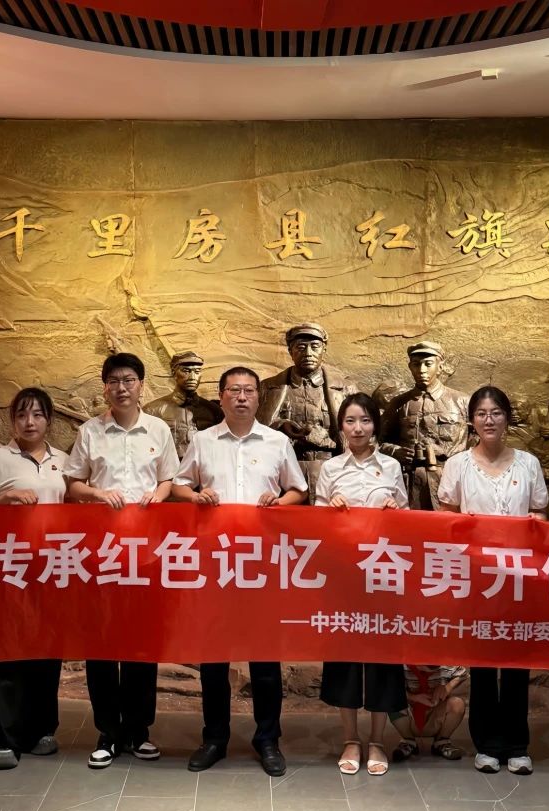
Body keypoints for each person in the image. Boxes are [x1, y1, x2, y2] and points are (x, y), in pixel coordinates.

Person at [172, 365, 308, 777]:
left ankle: (267, 739)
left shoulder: (277, 441)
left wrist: (278, 503)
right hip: (215, 564)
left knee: (264, 659)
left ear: (258, 397)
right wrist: (195, 497)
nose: (242, 397)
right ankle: (214, 738)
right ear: (221, 397)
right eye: (234, 390)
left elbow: (299, 490)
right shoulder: (203, 440)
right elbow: (179, 484)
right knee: (214, 658)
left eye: (249, 390)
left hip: (261, 565)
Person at [64, 353, 178, 769]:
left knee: (141, 643)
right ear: (105, 387)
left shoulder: (159, 430)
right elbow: (73, 483)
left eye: (129, 379)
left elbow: (169, 479)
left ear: (141, 385)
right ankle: (107, 732)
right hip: (102, 553)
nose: (122, 387)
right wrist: (98, 494)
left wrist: (158, 495)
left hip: (146, 553)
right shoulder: (90, 432)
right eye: (114, 381)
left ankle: (138, 730)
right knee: (102, 642)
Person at [437, 385, 548, 776]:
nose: (489, 420)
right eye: (481, 413)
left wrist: (534, 525)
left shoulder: (528, 464)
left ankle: (517, 745)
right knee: (483, 663)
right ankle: (486, 744)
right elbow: (447, 517)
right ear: (472, 421)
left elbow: (539, 516)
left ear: (507, 418)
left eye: (496, 412)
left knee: (517, 663)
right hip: (478, 577)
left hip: (519, 577)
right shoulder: (458, 465)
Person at [0, 387, 69, 770]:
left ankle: (41, 730)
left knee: (46, 652)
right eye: (22, 415)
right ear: (13, 421)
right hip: (9, 570)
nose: (30, 422)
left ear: (49, 420)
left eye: (37, 415)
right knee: (7, 652)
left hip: (53, 568)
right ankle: (1, 739)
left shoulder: (63, 461)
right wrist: (5, 501)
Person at [314, 392, 408, 776]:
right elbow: (315, 523)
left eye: (365, 420)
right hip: (343, 576)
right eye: (351, 421)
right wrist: (330, 511)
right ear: (341, 427)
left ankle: (377, 740)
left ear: (375, 426)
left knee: (382, 658)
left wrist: (394, 512)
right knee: (345, 659)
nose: (358, 428)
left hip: (382, 574)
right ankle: (351, 738)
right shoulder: (330, 469)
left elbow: (406, 521)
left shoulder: (391, 467)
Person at [257, 323, 357, 502]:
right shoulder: (268, 387)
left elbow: (363, 433)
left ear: (324, 349)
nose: (308, 353)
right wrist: (281, 426)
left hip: (331, 471)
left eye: (315, 347)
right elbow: (255, 430)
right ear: (290, 351)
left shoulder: (346, 389)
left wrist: (324, 439)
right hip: (285, 472)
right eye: (301, 347)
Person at [378, 341, 469, 510]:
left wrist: (447, 453)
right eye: (416, 364)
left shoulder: (462, 401)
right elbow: (378, 442)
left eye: (428, 364)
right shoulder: (398, 404)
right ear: (410, 367)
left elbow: (478, 442)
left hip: (451, 482)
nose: (421, 370)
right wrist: (395, 451)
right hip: (409, 484)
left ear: (440, 367)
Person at [143, 351, 224, 459]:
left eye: (197, 371)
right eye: (186, 371)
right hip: (169, 468)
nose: (192, 377)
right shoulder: (152, 410)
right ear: (173, 373)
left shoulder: (213, 411)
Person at [390, 665, 468, 761]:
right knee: (391, 700)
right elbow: (389, 685)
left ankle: (442, 741)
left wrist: (448, 687)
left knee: (457, 704)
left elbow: (464, 674)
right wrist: (413, 697)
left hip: (436, 716)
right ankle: (408, 741)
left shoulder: (447, 666)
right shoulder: (402, 665)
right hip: (409, 717)